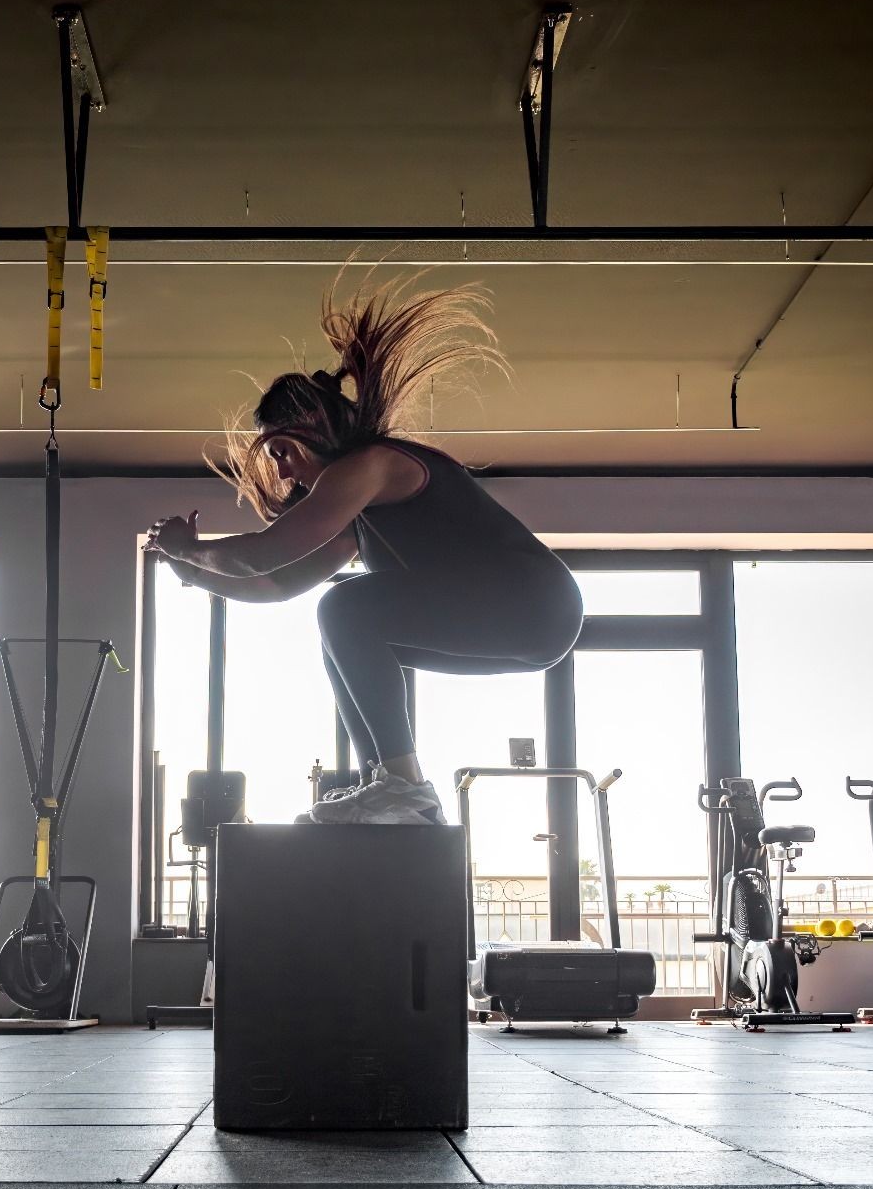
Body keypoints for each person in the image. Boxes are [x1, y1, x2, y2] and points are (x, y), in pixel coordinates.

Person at [146, 271, 583, 825]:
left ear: (313, 426)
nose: (281, 471)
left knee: (345, 606)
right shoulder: (363, 511)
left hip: (531, 600)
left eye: (281, 450)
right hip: (531, 625)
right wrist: (194, 573)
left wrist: (190, 549)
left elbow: (264, 554)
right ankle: (395, 791)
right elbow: (278, 585)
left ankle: (404, 784)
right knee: (341, 627)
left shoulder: (372, 465)